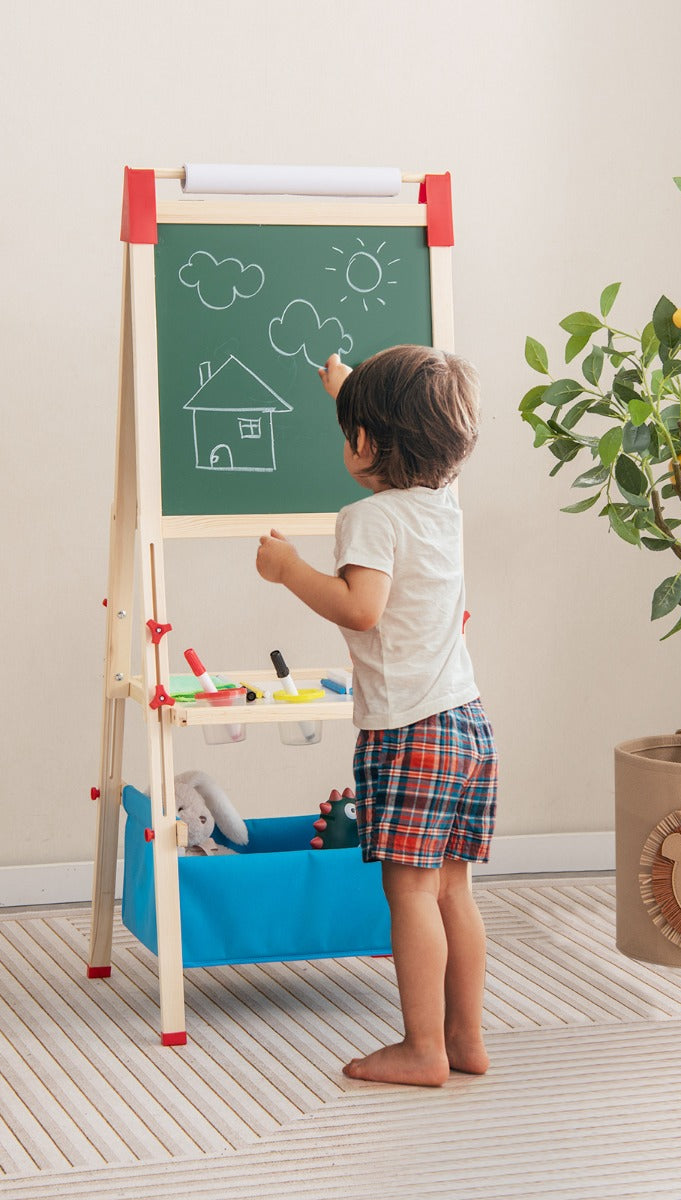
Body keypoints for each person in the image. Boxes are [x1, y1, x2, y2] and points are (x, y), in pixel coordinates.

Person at [255, 344, 498, 1087]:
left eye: (349, 430)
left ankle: (422, 1048)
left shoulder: (368, 517)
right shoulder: (444, 505)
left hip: (408, 730)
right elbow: (400, 439)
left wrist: (289, 570)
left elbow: (362, 609)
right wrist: (348, 390)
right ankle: (465, 1039)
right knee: (453, 887)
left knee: (411, 894)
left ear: (362, 443)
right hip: (466, 723)